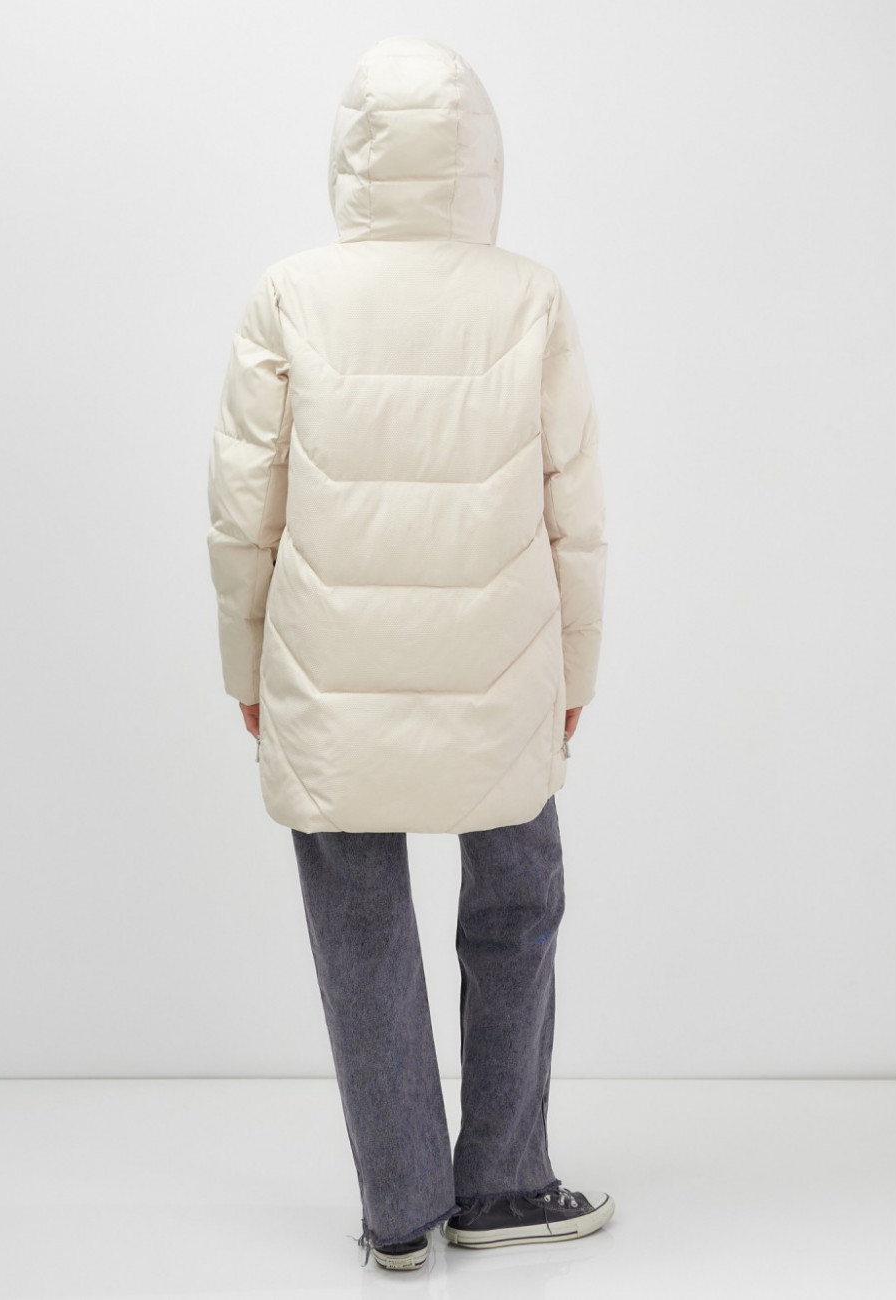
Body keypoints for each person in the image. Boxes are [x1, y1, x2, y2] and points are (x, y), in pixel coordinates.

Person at [206, 35, 613, 1272]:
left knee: (356, 914)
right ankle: (502, 1181)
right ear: (480, 158)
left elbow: (242, 507)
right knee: (518, 899)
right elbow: (575, 510)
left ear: (351, 158)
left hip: (325, 666)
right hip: (506, 662)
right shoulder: (529, 295)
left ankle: (398, 1209)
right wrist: (575, 675)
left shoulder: (289, 291)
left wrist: (244, 668)